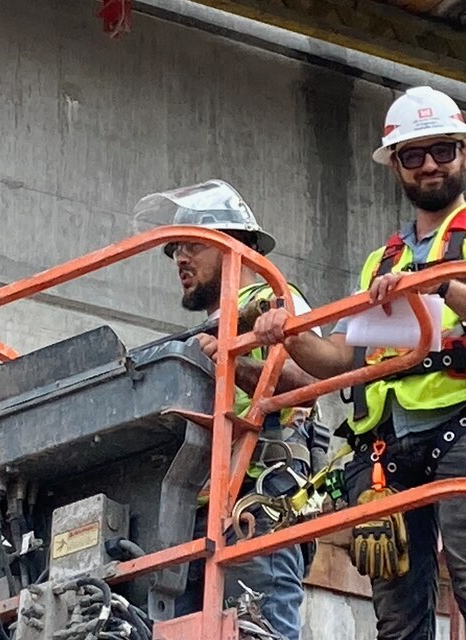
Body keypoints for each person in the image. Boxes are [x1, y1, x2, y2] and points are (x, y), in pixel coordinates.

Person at [252, 87, 466, 640]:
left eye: (442, 151)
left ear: (465, 154)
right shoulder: (381, 262)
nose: (429, 165)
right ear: (397, 167)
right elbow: (339, 361)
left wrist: (437, 285)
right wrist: (285, 332)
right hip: (384, 451)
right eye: (414, 155)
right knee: (398, 620)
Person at [133, 180, 323, 640]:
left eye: (194, 245)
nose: (180, 257)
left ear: (238, 245)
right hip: (193, 515)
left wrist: (232, 365)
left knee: (256, 631)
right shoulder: (205, 330)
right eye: (174, 248)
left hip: (257, 504)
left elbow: (311, 383)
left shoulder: (272, 300)